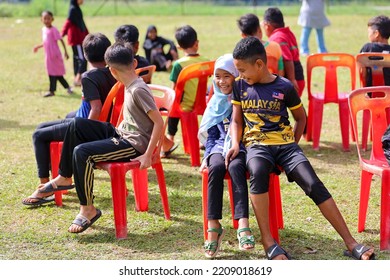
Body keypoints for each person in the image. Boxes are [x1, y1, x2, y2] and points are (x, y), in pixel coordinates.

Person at [226, 36, 376, 260]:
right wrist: (235, 143)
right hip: (257, 146)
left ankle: (351, 242)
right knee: (257, 172)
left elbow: (301, 118)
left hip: (286, 146)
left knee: (313, 183)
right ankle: (269, 243)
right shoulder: (240, 87)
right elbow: (237, 120)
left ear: (259, 64)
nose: (240, 75)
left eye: (242, 70)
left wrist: (291, 147)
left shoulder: (284, 86)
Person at [34, 42, 164, 234]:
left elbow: (159, 122)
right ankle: (63, 177)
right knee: (76, 124)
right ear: (135, 62)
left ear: (111, 70)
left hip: (133, 143)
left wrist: (147, 154)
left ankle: (88, 210)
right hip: (120, 133)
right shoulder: (129, 84)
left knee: (82, 152)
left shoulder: (138, 89)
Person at [22, 33, 117, 206]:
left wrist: (88, 133)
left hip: (81, 127)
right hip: (94, 122)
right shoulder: (113, 72)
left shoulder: (89, 76)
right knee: (42, 126)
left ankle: (44, 188)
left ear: (85, 55)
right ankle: (49, 182)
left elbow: (95, 108)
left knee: (38, 135)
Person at [198, 54, 254, 258]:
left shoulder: (245, 98)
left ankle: (243, 224)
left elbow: (249, 129)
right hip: (218, 147)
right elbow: (211, 136)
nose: (222, 81)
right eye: (218, 76)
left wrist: (237, 145)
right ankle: (214, 226)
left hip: (241, 146)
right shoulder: (215, 102)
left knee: (236, 167)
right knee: (216, 167)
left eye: (227, 76)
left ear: (236, 76)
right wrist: (208, 155)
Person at [161, 25, 209, 157]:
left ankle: (169, 139)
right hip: (201, 104)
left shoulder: (179, 65)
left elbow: (173, 89)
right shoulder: (206, 62)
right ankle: (204, 139)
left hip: (183, 106)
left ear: (179, 47)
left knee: (173, 105)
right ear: (196, 43)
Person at [261, 7, 305, 97]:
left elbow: (287, 59)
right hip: (299, 76)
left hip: (292, 78)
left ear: (267, 26)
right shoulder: (287, 33)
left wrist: (292, 80)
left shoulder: (277, 38)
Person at [33, 10, 73, 98]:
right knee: (55, 74)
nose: (47, 20)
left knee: (55, 73)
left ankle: (52, 91)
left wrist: (66, 52)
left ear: (52, 19)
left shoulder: (53, 30)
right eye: (45, 18)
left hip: (55, 55)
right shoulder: (44, 30)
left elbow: (61, 40)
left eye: (49, 18)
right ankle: (67, 88)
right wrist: (38, 47)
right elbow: (46, 42)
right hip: (48, 56)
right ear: (41, 20)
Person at [61, 0, 89, 87]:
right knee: (82, 58)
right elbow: (68, 22)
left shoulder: (76, 9)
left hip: (80, 38)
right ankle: (78, 79)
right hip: (76, 39)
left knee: (77, 58)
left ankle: (78, 78)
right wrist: (61, 34)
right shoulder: (73, 9)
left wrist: (88, 35)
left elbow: (82, 23)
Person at [360, 15, 390, 86]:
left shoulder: (367, 48)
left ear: (376, 33)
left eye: (369, 32)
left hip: (371, 94)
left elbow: (362, 73)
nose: (368, 35)